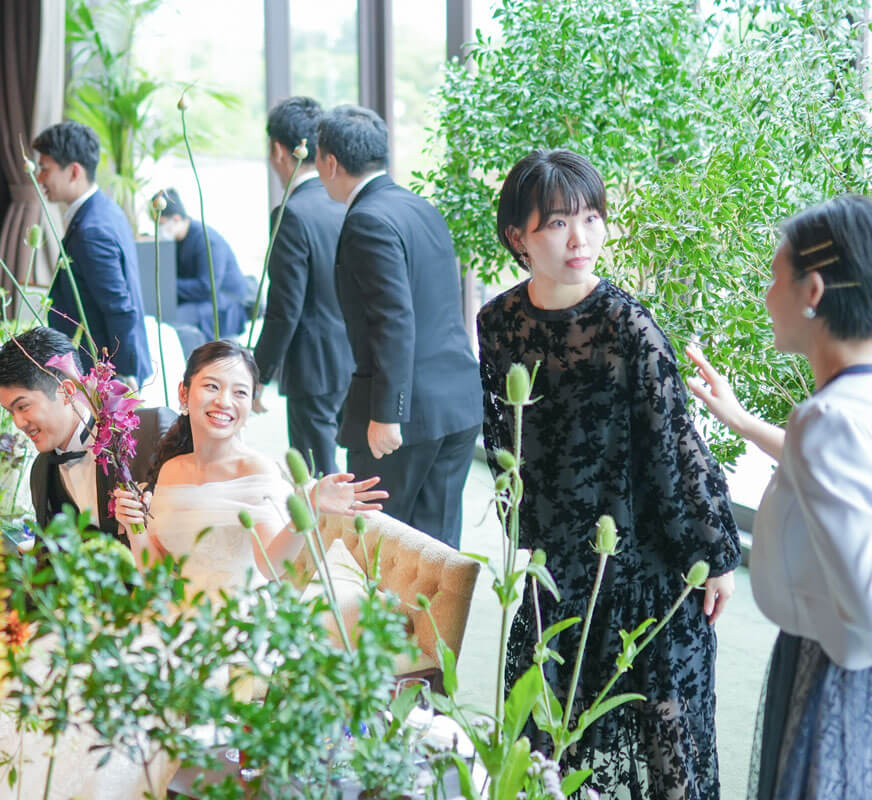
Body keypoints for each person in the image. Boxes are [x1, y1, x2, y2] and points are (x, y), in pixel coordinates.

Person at [478, 149, 741, 798]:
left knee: (668, 757)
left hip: (644, 571)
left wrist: (715, 553)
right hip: (557, 573)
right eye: (558, 223)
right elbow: (504, 443)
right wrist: (531, 544)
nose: (581, 239)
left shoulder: (631, 325)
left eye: (592, 219)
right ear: (519, 236)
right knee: (550, 752)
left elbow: (675, 447)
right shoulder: (498, 323)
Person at [684, 195, 872, 799]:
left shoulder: (829, 422)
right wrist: (739, 420)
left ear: (813, 291)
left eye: (775, 277)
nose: (767, 296)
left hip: (839, 677)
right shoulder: (847, 407)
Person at [314, 105, 482, 549]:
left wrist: (387, 412)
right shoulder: (419, 207)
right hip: (457, 403)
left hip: (405, 418)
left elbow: (395, 318)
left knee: (377, 546)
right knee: (438, 551)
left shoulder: (367, 219)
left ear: (330, 162)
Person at [112, 339, 386, 598]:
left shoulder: (257, 470)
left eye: (240, 392)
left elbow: (271, 567)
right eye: (212, 386)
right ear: (184, 393)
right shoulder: (171, 468)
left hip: (240, 622)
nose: (225, 401)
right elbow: (155, 576)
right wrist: (135, 527)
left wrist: (309, 508)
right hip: (179, 615)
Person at [0, 326, 175, 547]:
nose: (18, 423)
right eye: (10, 412)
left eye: (23, 406)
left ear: (66, 391)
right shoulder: (41, 471)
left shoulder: (153, 431)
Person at [252, 97, 353, 477]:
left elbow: (284, 308)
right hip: (356, 359)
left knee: (319, 480)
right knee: (356, 476)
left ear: (278, 150)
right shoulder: (346, 203)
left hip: (313, 368)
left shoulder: (290, 214)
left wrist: (259, 373)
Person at [32, 121, 152, 386]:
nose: (39, 178)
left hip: (106, 372)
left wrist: (123, 376)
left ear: (74, 171)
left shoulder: (91, 230)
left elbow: (119, 308)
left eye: (45, 169)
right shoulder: (104, 209)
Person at [154, 187, 250, 341]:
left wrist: (168, 287)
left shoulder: (206, 240)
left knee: (172, 320)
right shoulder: (177, 240)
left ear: (177, 219)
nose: (159, 229)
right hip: (199, 298)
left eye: (162, 223)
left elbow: (207, 287)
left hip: (223, 302)